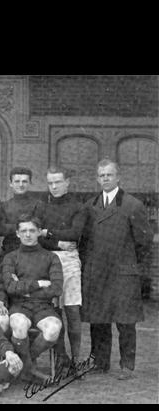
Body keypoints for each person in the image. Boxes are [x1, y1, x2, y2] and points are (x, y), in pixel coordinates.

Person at [80, 159, 153, 380]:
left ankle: (126, 365)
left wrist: (130, 264)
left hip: (123, 271)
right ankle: (99, 362)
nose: (105, 179)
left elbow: (144, 242)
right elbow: (84, 241)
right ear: (97, 178)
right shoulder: (90, 205)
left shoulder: (132, 205)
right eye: (101, 176)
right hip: (98, 271)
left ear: (118, 177)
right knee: (99, 319)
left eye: (109, 175)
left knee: (125, 321)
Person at [2, 214, 63, 382]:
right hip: (19, 306)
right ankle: (30, 369)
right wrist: (39, 283)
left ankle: (23, 364)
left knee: (53, 330)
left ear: (39, 233)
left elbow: (56, 288)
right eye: (24, 231)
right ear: (17, 233)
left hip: (44, 307)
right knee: (19, 326)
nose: (28, 235)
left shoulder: (51, 257)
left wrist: (25, 288)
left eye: (32, 230)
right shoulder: (10, 257)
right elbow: (10, 287)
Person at [39, 166, 87, 372]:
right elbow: (37, 238)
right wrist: (57, 241)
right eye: (50, 183)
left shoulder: (78, 207)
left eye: (58, 182)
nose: (54, 186)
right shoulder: (42, 207)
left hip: (69, 262)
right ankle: (61, 358)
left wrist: (48, 232)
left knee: (72, 310)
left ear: (67, 182)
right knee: (53, 311)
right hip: (48, 260)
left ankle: (76, 360)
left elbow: (75, 233)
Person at [0, 167, 44, 255]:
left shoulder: (38, 205)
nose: (21, 185)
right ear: (11, 183)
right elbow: (0, 230)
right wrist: (25, 226)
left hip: (32, 251)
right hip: (9, 250)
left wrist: (11, 227)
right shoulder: (4, 205)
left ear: (30, 183)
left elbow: (38, 228)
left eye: (24, 181)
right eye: (17, 181)